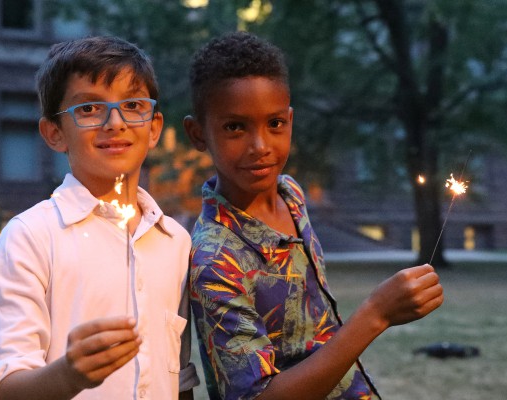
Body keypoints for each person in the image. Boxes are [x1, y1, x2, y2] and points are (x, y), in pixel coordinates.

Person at [183, 31, 444, 400]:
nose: (260, 146)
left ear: (290, 119)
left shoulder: (290, 194)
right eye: (235, 127)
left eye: (274, 124)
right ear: (197, 133)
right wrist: (376, 315)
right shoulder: (214, 261)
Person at [0, 36, 198, 400]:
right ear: (55, 133)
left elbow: (179, 375)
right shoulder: (30, 238)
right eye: (90, 109)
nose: (115, 122)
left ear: (154, 127)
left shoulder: (175, 241)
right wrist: (69, 374)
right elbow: (0, 388)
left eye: (133, 104)